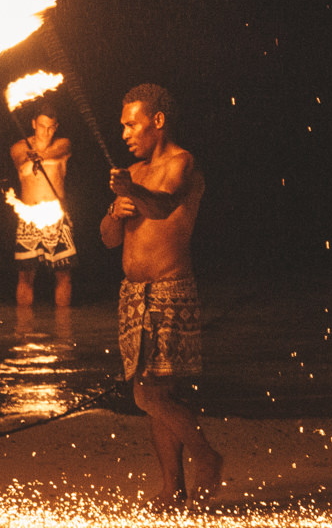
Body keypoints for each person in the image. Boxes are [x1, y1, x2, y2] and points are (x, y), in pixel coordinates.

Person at [101, 84, 222, 507]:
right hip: (132, 294)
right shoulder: (132, 175)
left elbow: (164, 206)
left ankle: (206, 456)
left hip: (169, 289)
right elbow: (109, 239)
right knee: (157, 395)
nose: (125, 134)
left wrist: (131, 193)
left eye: (131, 124)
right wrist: (116, 211)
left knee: (147, 393)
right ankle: (173, 487)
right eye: (121, 126)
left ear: (158, 121)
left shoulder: (181, 163)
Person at [10, 102, 75, 307]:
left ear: (56, 127)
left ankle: (64, 331)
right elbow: (20, 157)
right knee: (25, 276)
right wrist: (33, 155)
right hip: (28, 218)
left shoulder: (62, 145)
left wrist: (41, 155)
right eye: (41, 126)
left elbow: (62, 148)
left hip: (56, 218)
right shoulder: (20, 147)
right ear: (33, 124)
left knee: (63, 275)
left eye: (51, 127)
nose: (46, 132)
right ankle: (24, 330)